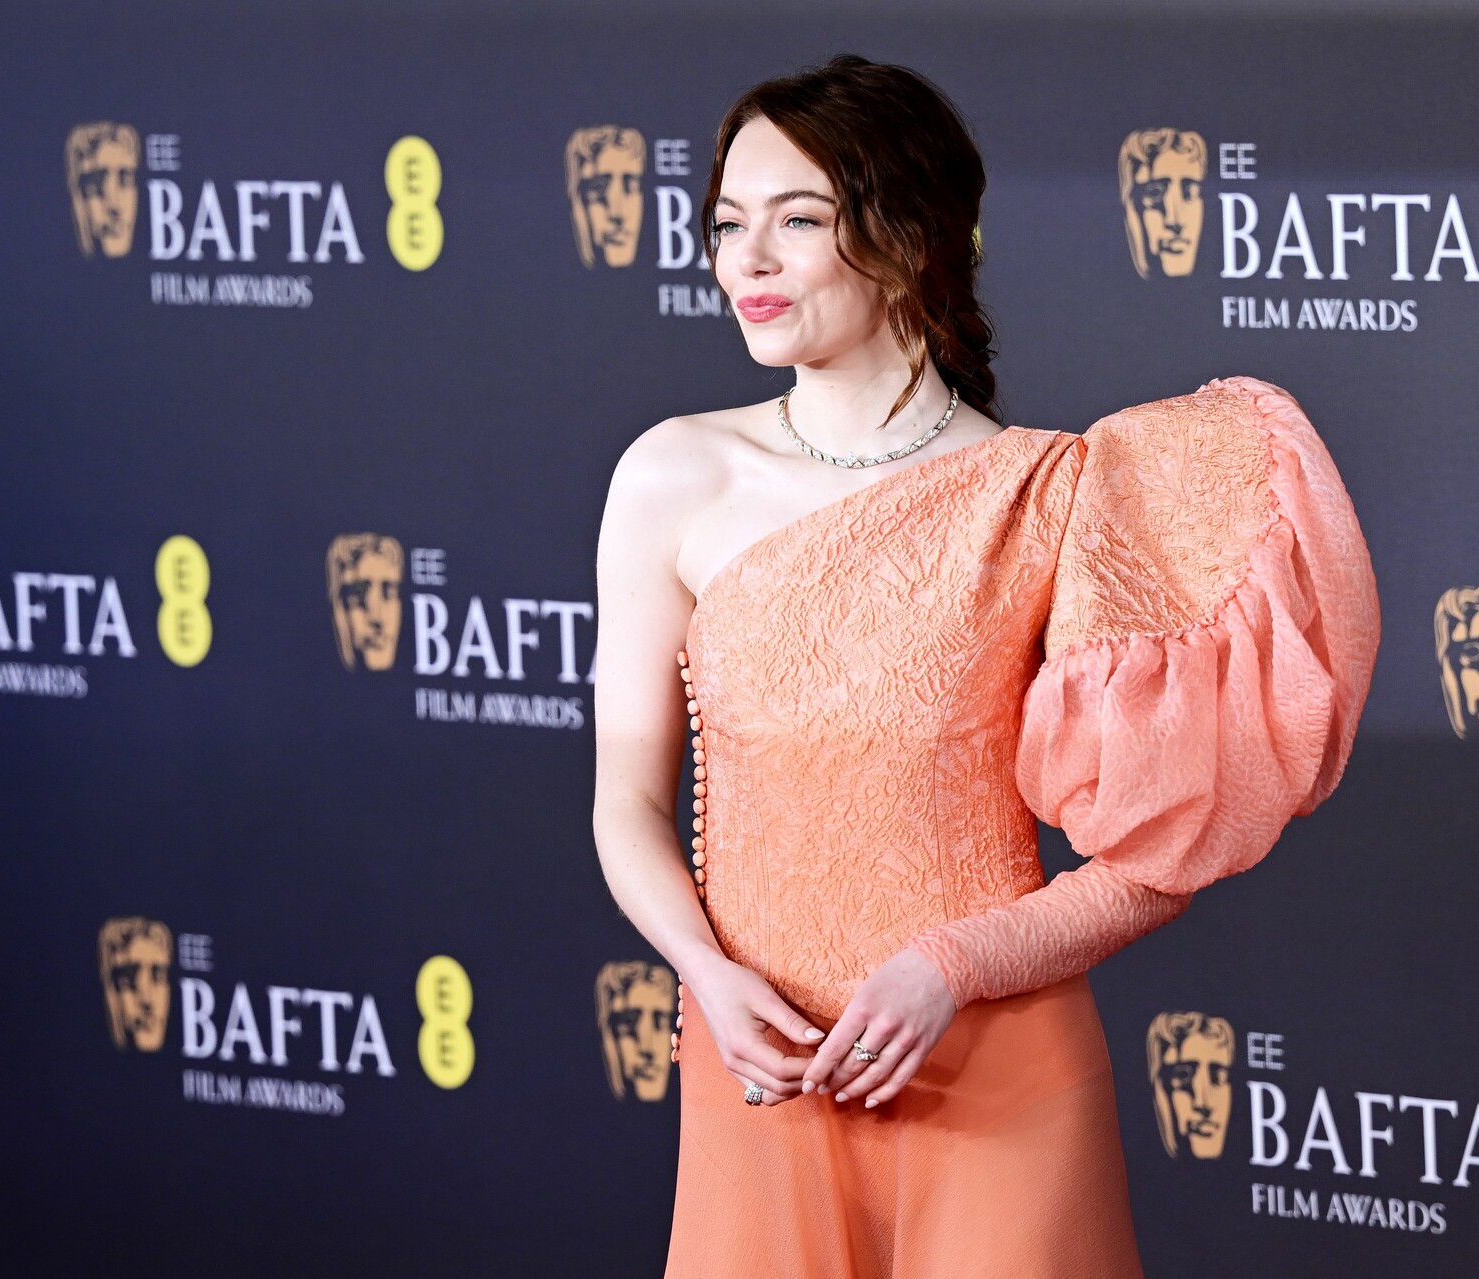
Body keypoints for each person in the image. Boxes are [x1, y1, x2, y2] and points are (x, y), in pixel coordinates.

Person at [589, 54, 1379, 1278]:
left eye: (796, 221)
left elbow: (1160, 862)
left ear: (913, 236)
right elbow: (626, 802)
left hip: (996, 1074)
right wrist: (704, 973)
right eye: (728, 224)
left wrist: (949, 967)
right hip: (759, 1063)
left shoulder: (1054, 496)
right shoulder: (671, 476)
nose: (746, 262)